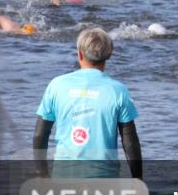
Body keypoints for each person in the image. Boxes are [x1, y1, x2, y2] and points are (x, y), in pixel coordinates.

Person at [33, 28, 141, 179]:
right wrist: (138, 179)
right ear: (109, 54)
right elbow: (130, 143)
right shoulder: (118, 91)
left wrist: (42, 174)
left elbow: (40, 135)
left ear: (79, 54)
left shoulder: (56, 85)